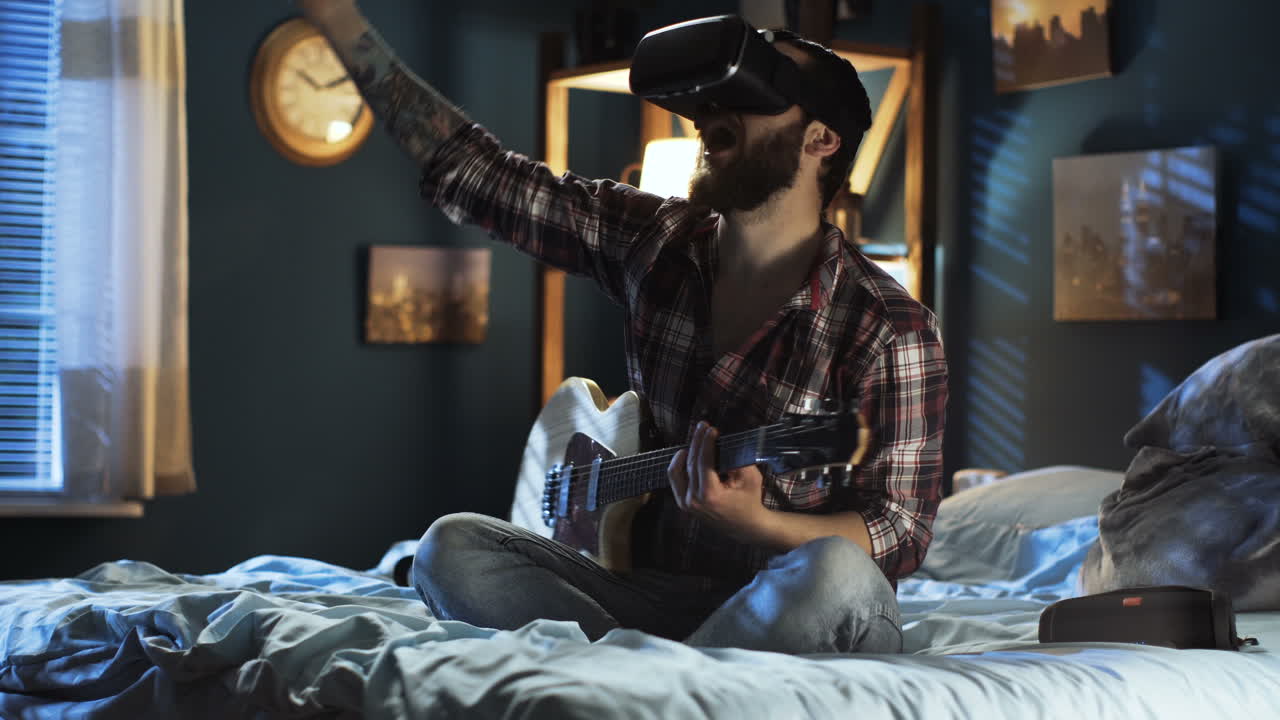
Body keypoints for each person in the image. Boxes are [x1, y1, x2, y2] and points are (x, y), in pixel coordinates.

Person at [297, 0, 948, 655]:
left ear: (820, 140)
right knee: (450, 546)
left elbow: (899, 531)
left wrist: (756, 522)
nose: (713, 114)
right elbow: (485, 179)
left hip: (780, 603)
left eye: (753, 93)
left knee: (837, 573)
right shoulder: (655, 242)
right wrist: (337, 19)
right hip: (646, 599)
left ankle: (645, 674)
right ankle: (665, 674)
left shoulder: (887, 326)